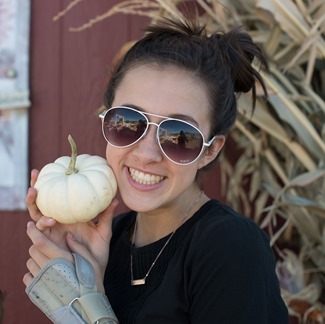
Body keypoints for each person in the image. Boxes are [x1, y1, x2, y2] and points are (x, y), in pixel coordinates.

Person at [23, 14, 289, 324]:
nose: (146, 153)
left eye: (179, 136)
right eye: (128, 123)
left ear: (210, 150)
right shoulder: (106, 240)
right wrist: (78, 264)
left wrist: (89, 304)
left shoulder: (229, 247)